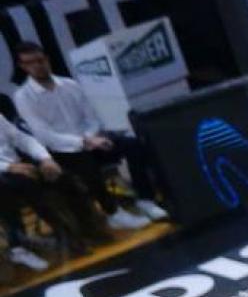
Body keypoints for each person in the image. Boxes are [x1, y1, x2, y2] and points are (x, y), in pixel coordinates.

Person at [12, 41, 166, 228]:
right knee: (84, 161)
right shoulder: (23, 97)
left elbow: (92, 117)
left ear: (47, 59)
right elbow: (44, 135)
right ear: (23, 67)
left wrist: (92, 138)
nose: (37, 65)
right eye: (30, 62)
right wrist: (84, 142)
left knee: (131, 144)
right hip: (61, 150)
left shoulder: (70, 85)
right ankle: (112, 213)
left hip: (91, 139)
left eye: (40, 59)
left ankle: (145, 199)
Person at [0, 115, 112, 258]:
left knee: (61, 177)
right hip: (5, 174)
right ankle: (67, 239)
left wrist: (45, 159)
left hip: (20, 166)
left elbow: (22, 139)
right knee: (29, 185)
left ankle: (89, 229)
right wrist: (9, 167)